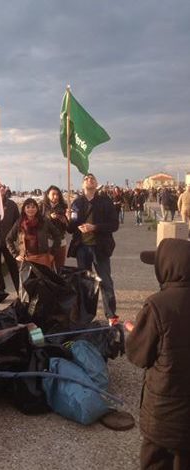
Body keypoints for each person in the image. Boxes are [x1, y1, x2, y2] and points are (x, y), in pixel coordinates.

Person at [126, 238, 190, 470]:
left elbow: (138, 355)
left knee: (156, 462)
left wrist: (136, 331)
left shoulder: (157, 305)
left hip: (164, 414)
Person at [66, 173, 119, 326]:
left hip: (100, 247)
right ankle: (85, 316)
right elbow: (71, 229)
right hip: (82, 249)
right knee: (84, 283)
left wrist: (94, 227)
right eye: (86, 179)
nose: (89, 180)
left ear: (96, 184)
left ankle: (111, 315)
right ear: (82, 185)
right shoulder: (76, 203)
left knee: (105, 281)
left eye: (92, 178)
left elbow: (114, 225)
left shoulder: (105, 201)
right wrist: (67, 218)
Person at [6, 198, 61, 270]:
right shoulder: (19, 222)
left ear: (37, 208)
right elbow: (8, 239)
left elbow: (57, 235)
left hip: (43, 258)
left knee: (44, 281)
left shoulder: (44, 221)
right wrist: (15, 255)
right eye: (28, 207)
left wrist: (52, 253)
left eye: (33, 207)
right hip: (26, 259)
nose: (30, 209)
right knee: (29, 281)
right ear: (24, 209)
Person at [39, 185, 68, 271]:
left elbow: (68, 227)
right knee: (48, 268)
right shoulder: (42, 206)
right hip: (47, 240)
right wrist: (49, 217)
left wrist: (65, 220)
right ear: (48, 195)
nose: (56, 197)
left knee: (60, 268)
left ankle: (60, 284)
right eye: (53, 194)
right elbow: (38, 221)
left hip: (61, 240)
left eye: (58, 194)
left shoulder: (64, 206)